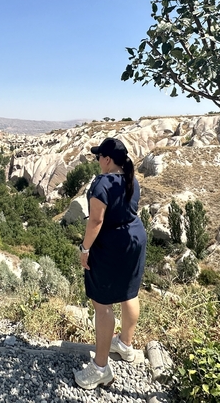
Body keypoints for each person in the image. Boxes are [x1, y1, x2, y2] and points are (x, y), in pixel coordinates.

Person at [73, 137, 147, 390]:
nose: (97, 162)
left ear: (106, 159)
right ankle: (125, 345)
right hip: (134, 237)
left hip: (111, 244)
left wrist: (85, 249)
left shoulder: (102, 183)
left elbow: (95, 222)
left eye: (98, 157)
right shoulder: (131, 178)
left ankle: (100, 368)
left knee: (102, 304)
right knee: (129, 291)